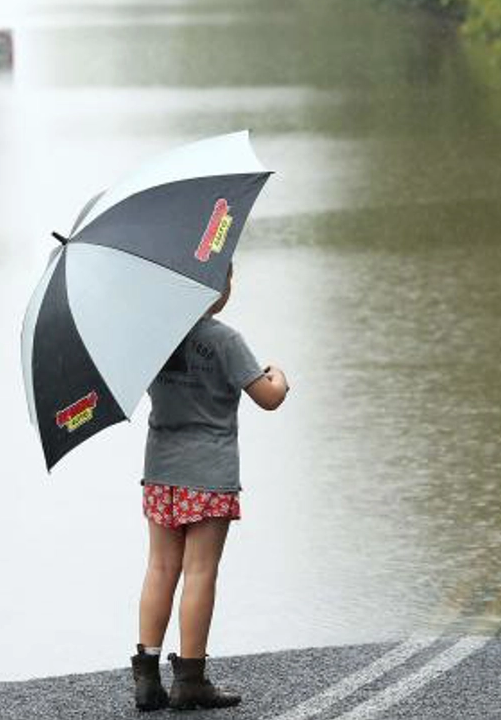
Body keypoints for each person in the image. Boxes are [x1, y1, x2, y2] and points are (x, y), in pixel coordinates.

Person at [130, 263, 290, 711]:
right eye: (229, 279)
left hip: (161, 470)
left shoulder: (152, 337)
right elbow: (269, 397)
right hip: (209, 474)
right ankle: (190, 680)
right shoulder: (224, 340)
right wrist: (279, 374)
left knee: (160, 568)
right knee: (200, 571)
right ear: (217, 288)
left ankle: (146, 679)